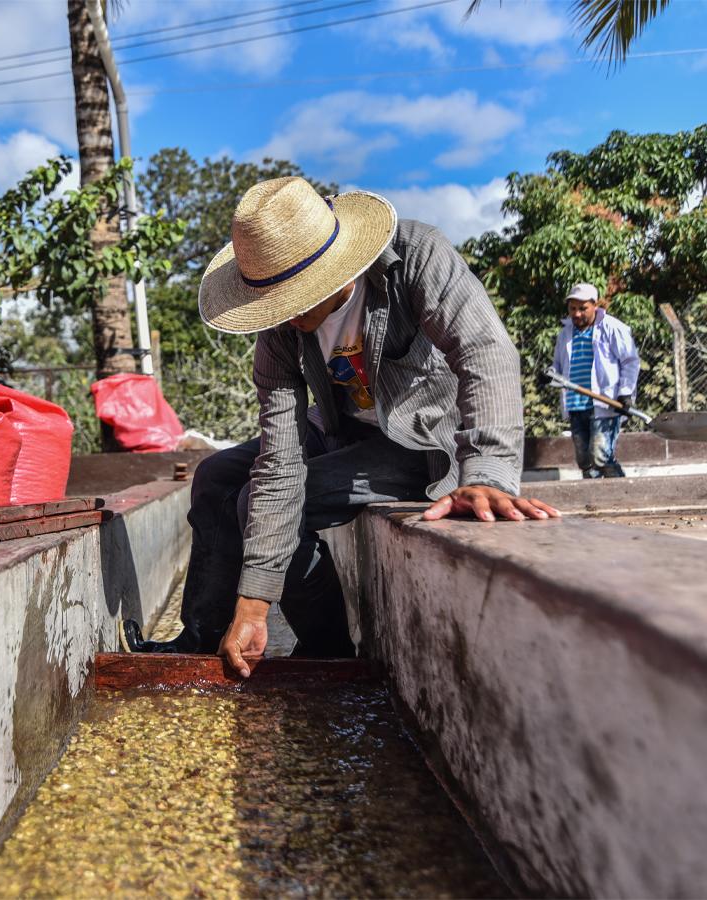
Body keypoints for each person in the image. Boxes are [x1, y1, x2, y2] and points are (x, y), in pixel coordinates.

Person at [125, 177, 560, 676]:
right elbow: (280, 456)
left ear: (334, 275)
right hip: (339, 429)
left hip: (418, 440)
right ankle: (203, 637)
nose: (282, 318)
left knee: (265, 506)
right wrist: (252, 599)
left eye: (292, 301)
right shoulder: (280, 331)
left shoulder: (415, 258)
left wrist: (484, 472)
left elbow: (485, 351)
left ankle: (328, 652)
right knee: (218, 478)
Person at [551, 283, 640, 479]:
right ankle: (594, 502)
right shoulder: (565, 334)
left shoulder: (612, 327)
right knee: (585, 461)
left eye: (582, 308)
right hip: (575, 404)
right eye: (573, 308)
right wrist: (549, 374)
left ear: (595, 305)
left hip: (604, 403)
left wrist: (625, 392)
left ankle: (623, 493)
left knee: (600, 457)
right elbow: (558, 365)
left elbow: (630, 361)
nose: (577, 314)